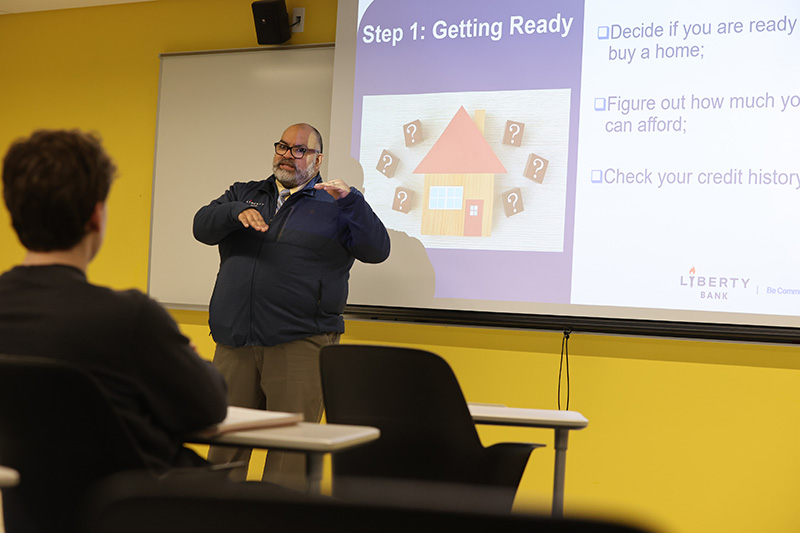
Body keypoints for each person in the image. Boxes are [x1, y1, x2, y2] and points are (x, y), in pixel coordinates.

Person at [0, 129, 229, 472]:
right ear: (96, 215)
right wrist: (195, 364)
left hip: (34, 511)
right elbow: (209, 408)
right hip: (150, 508)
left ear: (15, 213)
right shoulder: (131, 319)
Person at [193, 123, 390, 489]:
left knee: (290, 459)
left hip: (300, 342)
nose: (288, 155)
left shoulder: (337, 202)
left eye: (300, 150)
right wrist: (234, 211)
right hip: (235, 341)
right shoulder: (245, 193)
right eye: (283, 146)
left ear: (317, 159)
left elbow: (377, 250)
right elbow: (202, 226)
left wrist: (352, 202)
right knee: (223, 454)